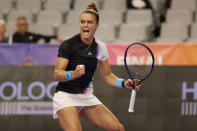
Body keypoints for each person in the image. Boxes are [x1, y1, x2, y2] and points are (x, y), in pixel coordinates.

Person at [53, 3, 141, 131]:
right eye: (82, 22)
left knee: (118, 128)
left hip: (86, 97)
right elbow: (57, 74)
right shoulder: (68, 45)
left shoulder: (101, 47)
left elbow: (107, 75)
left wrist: (124, 83)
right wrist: (72, 74)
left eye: (89, 22)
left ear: (97, 25)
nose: (85, 25)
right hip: (66, 96)